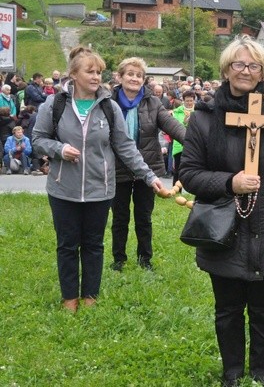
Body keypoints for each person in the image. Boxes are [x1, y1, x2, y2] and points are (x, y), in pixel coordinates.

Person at [178, 35, 264, 386]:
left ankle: (261, 375)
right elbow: (189, 173)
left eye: (253, 65)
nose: (245, 71)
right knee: (227, 310)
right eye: (238, 64)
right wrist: (230, 182)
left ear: (261, 72)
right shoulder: (206, 117)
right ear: (226, 69)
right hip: (225, 228)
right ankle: (232, 374)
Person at [32, 46, 165, 312]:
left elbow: (126, 147)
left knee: (94, 244)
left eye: (99, 72)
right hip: (63, 189)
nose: (95, 77)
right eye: (89, 71)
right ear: (73, 74)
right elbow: (37, 140)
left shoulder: (109, 107)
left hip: (100, 190)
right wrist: (59, 149)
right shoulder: (54, 104)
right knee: (67, 245)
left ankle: (90, 298)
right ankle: (69, 299)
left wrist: (150, 177)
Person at [109, 57, 186, 272]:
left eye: (139, 75)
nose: (134, 78)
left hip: (147, 169)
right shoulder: (108, 101)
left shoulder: (153, 102)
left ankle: (145, 259)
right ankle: (119, 259)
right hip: (117, 167)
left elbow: (173, 126)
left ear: (144, 79)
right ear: (120, 77)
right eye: (130, 74)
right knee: (119, 218)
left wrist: (192, 142)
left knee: (144, 217)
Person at [170, 90, 196, 186]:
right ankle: (176, 189)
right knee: (178, 168)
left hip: (194, 144)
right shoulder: (177, 112)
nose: (189, 103)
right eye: (187, 101)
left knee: (192, 168)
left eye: (191, 101)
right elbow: (174, 127)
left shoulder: (197, 111)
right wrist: (185, 122)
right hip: (179, 144)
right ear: (183, 101)